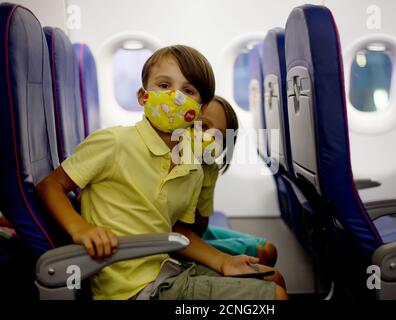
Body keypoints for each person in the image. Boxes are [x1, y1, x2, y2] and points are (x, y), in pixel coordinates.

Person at [36, 45, 288, 300]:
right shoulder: (114, 142)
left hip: (166, 269)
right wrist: (80, 228)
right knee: (274, 297)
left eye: (188, 90)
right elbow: (50, 185)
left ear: (200, 109)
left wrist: (223, 262)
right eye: (164, 85)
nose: (175, 97)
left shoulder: (192, 167)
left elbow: (178, 230)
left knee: (272, 278)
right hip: (135, 289)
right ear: (143, 96)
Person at [185, 96, 277, 267]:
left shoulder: (209, 169)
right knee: (261, 254)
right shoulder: (173, 164)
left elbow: (201, 226)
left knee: (269, 248)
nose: (211, 137)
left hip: (196, 232)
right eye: (203, 126)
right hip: (179, 240)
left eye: (220, 136)